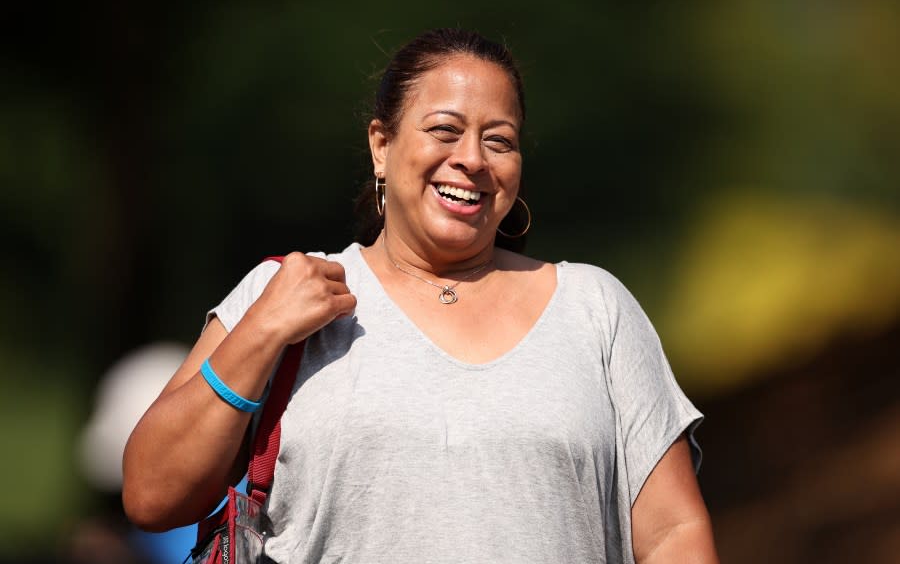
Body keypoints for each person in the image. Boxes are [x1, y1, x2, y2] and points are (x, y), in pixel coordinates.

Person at [123, 28, 719, 563]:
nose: (471, 160)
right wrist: (261, 332)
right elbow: (153, 496)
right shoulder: (287, 294)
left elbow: (672, 533)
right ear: (381, 146)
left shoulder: (595, 309)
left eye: (500, 141)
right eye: (444, 130)